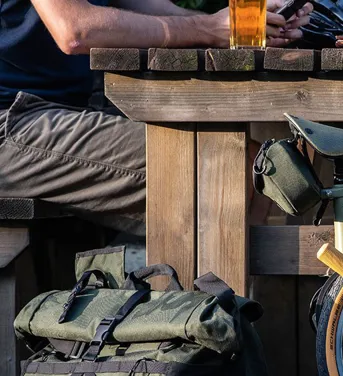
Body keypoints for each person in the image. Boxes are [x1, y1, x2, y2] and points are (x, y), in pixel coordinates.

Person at [0, 0, 313, 234]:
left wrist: (238, 24)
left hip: (55, 112)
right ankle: (203, 301)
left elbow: (150, 7)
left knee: (252, 164)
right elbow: (76, 30)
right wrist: (207, 29)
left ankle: (221, 300)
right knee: (227, 168)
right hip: (11, 123)